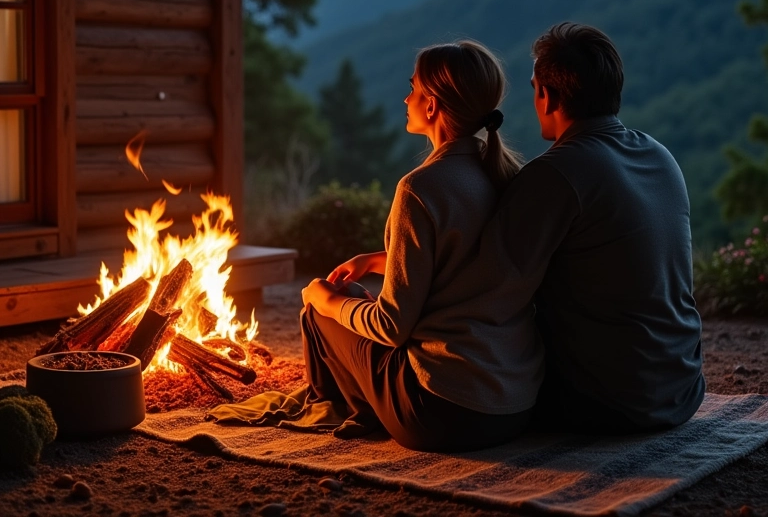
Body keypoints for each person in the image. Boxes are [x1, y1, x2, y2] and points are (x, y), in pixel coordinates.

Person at [299, 39, 544, 452]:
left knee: (324, 306)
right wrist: (380, 260)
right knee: (351, 294)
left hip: (440, 413)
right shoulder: (506, 174)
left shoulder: (420, 188)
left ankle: (340, 411)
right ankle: (358, 410)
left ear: (431, 106)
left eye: (412, 88)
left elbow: (391, 328)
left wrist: (325, 301)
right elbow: (467, 263)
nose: (405, 97)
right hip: (515, 407)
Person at [480, 22, 705, 434]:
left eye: (534, 88)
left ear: (545, 95)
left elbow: (488, 289)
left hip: (602, 403)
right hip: (682, 389)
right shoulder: (660, 155)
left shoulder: (555, 173)